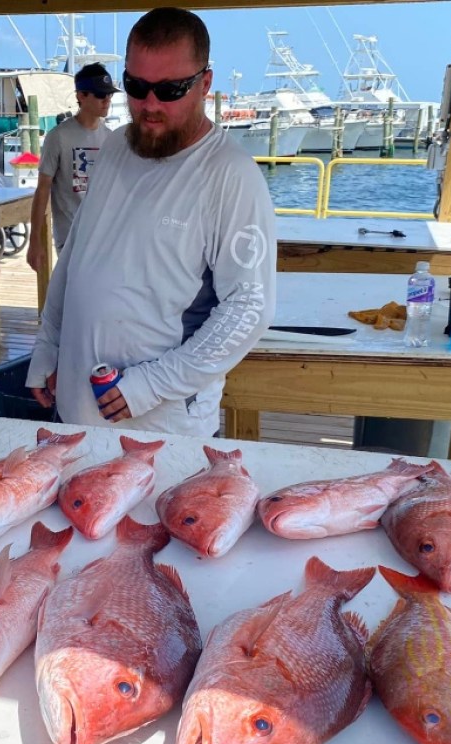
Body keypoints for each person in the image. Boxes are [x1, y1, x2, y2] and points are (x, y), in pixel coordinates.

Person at [25, 7, 277, 437]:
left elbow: (248, 308)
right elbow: (78, 254)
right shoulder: (118, 145)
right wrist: (49, 346)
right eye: (136, 86)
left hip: (160, 426)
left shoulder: (230, 175)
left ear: (205, 84)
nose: (150, 105)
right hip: (75, 411)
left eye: (170, 89)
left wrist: (150, 385)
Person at [25, 63, 118, 272]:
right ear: (81, 96)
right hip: (70, 240)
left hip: (102, 240)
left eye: (109, 95)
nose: (107, 101)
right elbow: (42, 190)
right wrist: (35, 242)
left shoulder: (111, 138)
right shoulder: (58, 137)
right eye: (100, 95)